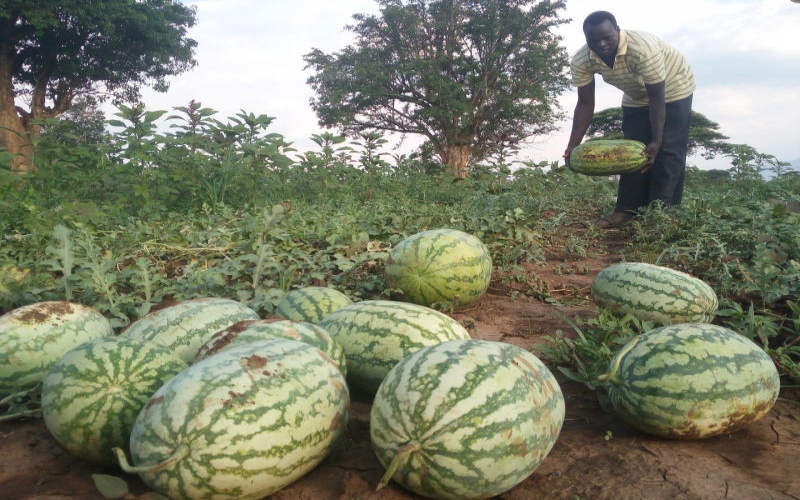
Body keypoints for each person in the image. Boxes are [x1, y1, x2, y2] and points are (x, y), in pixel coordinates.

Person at [564, 11, 695, 228]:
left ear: (618, 30)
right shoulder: (581, 60)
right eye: (594, 40)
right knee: (630, 152)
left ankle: (661, 216)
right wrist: (572, 145)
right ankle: (625, 211)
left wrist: (657, 140)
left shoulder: (642, 49)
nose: (601, 44)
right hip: (636, 95)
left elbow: (656, 98)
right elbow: (585, 103)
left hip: (673, 88)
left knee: (668, 150)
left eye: (607, 37)